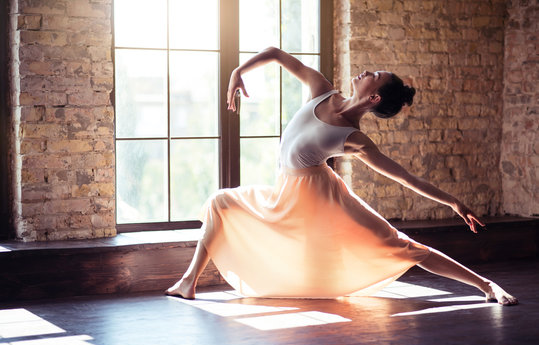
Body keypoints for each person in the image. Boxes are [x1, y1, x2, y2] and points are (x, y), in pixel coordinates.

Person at [166, 47, 518, 305]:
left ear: (374, 95)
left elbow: (407, 179)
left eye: (373, 75)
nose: (365, 71)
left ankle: (486, 285)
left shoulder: (354, 139)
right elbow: (276, 54)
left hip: (321, 199)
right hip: (285, 192)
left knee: (401, 246)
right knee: (220, 202)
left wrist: (454, 202)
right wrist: (237, 72)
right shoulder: (322, 89)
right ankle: (188, 282)